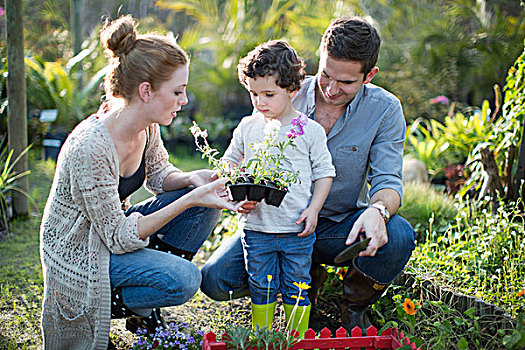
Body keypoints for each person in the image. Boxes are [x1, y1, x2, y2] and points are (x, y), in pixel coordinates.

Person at [39, 15, 243, 349]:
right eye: (177, 91)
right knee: (185, 278)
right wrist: (192, 197)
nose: (184, 100)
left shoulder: (146, 124)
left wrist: (192, 179)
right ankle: (126, 302)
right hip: (79, 251)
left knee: (202, 205)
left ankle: (142, 309)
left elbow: (160, 177)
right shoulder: (90, 148)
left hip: (109, 234)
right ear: (146, 91)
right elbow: (118, 237)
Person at [201, 17, 416, 332]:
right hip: (276, 223)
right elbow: (248, 154)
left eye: (345, 82)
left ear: (369, 76)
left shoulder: (385, 110)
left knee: (398, 235)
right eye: (326, 74)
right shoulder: (283, 92)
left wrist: (378, 211)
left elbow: (388, 182)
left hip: (336, 228)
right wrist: (244, 190)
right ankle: (295, 281)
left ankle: (352, 306)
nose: (330, 88)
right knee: (216, 281)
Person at [223, 40, 335, 336]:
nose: (260, 102)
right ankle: (264, 335)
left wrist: (314, 209)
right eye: (253, 93)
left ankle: (297, 337)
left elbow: (325, 172)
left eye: (268, 94)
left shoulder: (309, 131)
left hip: (296, 228)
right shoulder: (248, 126)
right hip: (257, 226)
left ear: (292, 90)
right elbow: (229, 162)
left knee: (297, 281)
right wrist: (239, 191)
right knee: (260, 280)